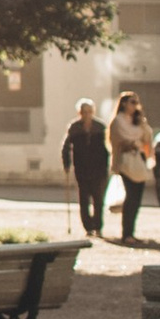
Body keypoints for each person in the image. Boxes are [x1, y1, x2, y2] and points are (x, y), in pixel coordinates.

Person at [108, 90, 156, 242]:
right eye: (132, 102)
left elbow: (147, 136)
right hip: (125, 161)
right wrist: (131, 143)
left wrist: (142, 121)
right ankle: (126, 233)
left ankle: (132, 231)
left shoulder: (138, 121)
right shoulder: (118, 122)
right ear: (124, 104)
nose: (135, 106)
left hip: (139, 160)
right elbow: (116, 141)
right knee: (130, 197)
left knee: (137, 198)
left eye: (137, 103)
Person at [61, 97, 111, 239]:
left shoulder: (100, 127)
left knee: (98, 198)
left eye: (89, 111)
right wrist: (66, 163)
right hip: (81, 167)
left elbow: (107, 148)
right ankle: (88, 227)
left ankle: (98, 226)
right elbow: (66, 146)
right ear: (80, 112)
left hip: (98, 168)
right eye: (84, 111)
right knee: (84, 198)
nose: (87, 114)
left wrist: (107, 165)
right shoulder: (75, 127)